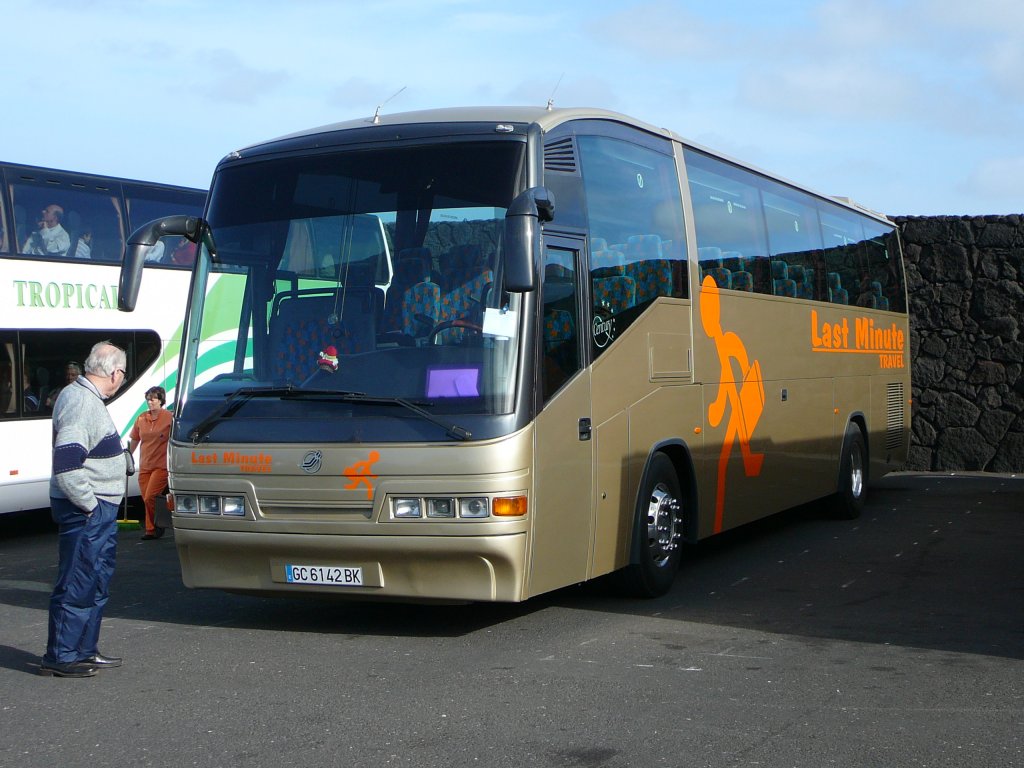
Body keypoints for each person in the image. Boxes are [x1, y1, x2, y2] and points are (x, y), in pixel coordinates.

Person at [40, 341, 128, 678]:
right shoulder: (80, 401)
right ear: (115, 373)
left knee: (94, 580)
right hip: (86, 510)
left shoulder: (84, 397)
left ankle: (83, 650)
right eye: (122, 373)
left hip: (96, 508)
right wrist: (90, 506)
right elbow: (67, 465)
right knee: (78, 581)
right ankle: (61, 656)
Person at [127, 386, 173, 540]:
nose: (150, 402)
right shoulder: (141, 418)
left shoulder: (169, 417)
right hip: (145, 465)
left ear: (161, 400)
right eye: (148, 399)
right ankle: (151, 530)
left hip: (161, 466)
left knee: (150, 497)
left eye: (153, 399)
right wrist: (127, 457)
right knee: (146, 499)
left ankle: (158, 525)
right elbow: (135, 439)